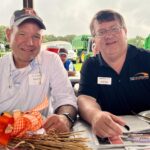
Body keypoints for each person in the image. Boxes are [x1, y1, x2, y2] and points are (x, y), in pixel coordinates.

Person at [0, 8, 77, 133]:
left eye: (36, 36)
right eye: (22, 34)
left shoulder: (51, 60)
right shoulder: (1, 66)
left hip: (39, 137)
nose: (30, 43)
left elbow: (66, 98)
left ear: (42, 39)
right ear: (9, 35)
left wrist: (65, 118)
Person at [77, 9, 150, 138]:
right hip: (109, 134)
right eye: (101, 32)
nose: (109, 35)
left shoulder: (146, 59)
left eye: (114, 29)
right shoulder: (91, 65)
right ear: (95, 39)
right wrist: (94, 115)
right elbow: (85, 98)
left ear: (125, 32)